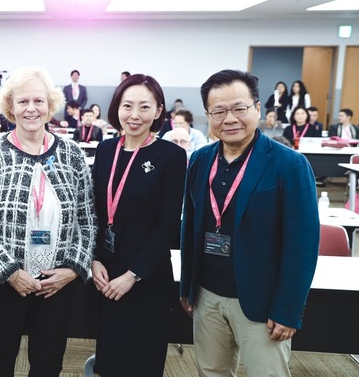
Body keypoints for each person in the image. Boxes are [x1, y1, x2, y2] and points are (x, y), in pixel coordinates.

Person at [180, 69, 319, 376]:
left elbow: (303, 244)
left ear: (258, 108)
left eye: (239, 108)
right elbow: (190, 226)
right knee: (211, 371)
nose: (229, 119)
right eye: (218, 111)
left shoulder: (290, 165)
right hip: (208, 295)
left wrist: (288, 309)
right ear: (208, 115)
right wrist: (188, 285)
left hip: (263, 302)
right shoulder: (200, 160)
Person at [0, 66, 94, 376]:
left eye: (38, 100)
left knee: (48, 365)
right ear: (10, 106)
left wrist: (72, 269)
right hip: (6, 282)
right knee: (0, 362)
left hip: (56, 283)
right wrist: (9, 272)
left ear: (50, 105)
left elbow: (87, 222)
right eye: (22, 102)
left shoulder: (73, 155)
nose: (31, 109)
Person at [90, 74, 186, 376]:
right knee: (109, 357)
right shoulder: (105, 150)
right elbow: (93, 211)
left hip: (147, 274)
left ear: (158, 111)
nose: (134, 115)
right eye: (127, 105)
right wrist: (93, 259)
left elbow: (168, 225)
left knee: (141, 360)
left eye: (144, 107)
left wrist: (132, 276)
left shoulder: (172, 156)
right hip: (106, 270)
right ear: (117, 107)